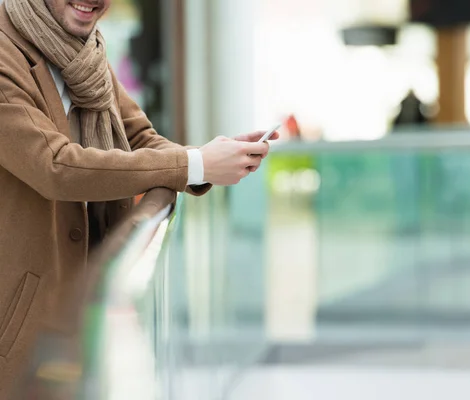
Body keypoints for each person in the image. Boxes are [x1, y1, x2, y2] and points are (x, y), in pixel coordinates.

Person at [0, 0, 278, 395]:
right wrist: (194, 164)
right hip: (17, 316)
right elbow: (54, 166)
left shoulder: (85, 52)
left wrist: (213, 154)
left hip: (84, 302)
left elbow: (140, 138)